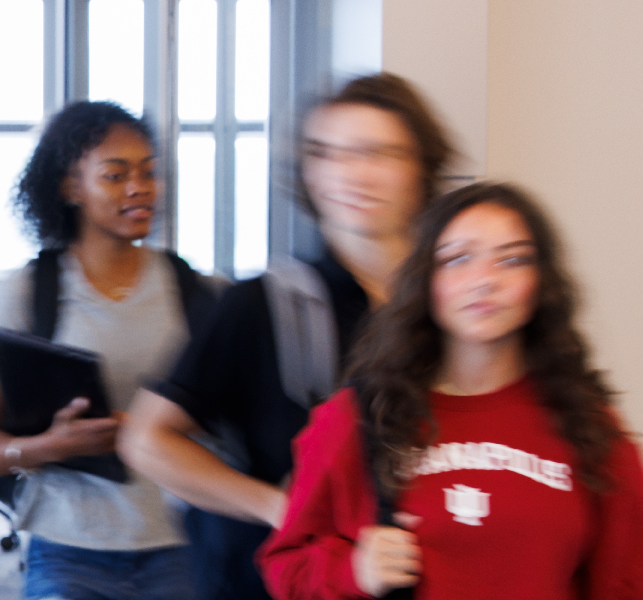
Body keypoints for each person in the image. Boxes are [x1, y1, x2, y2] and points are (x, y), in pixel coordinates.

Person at [117, 73, 455, 600]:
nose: (351, 173)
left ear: (422, 168)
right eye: (327, 154)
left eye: (377, 152)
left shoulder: (455, 306)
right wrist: (281, 505)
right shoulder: (263, 305)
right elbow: (147, 440)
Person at [258, 182, 643, 599]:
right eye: (458, 259)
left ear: (540, 284)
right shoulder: (359, 416)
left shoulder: (590, 425)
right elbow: (285, 568)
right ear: (426, 282)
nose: (484, 281)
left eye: (512, 260)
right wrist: (353, 571)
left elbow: (625, 580)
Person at [0, 101, 218, 600]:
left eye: (148, 173)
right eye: (115, 175)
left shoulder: (199, 292)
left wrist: (153, 432)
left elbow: (238, 417)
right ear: (70, 187)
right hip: (68, 548)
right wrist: (53, 446)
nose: (140, 187)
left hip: (183, 543)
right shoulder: (30, 293)